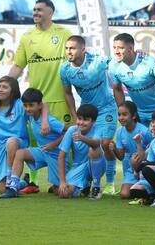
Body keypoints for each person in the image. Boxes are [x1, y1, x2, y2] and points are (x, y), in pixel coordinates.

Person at [59, 35, 121, 194]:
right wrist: (75, 116)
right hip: (87, 114)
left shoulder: (97, 61)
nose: (68, 51)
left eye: (72, 48)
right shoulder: (65, 69)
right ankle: (87, 180)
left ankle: (109, 182)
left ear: (83, 49)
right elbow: (67, 93)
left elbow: (117, 60)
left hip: (106, 108)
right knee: (85, 146)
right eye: (67, 48)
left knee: (105, 144)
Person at [9, 0, 73, 126]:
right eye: (34, 10)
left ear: (50, 13)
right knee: (38, 143)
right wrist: (5, 86)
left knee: (65, 141)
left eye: (39, 10)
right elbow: (17, 66)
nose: (35, 13)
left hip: (61, 101)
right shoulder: (27, 37)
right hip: (36, 103)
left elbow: (76, 59)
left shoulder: (64, 34)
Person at [5, 88, 66, 197]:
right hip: (42, 151)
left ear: (39, 105)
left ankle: (51, 185)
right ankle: (13, 186)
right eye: (26, 105)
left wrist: (55, 143)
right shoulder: (31, 116)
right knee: (20, 153)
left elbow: (68, 132)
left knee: (60, 192)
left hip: (56, 156)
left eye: (31, 105)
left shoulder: (51, 121)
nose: (28, 108)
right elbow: (45, 105)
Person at [0, 76, 29, 197]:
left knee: (11, 141)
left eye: (4, 87)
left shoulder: (20, 105)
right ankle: (22, 182)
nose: (0, 90)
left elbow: (39, 108)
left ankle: (10, 176)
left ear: (12, 91)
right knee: (2, 190)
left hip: (18, 143)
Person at [108, 33, 155, 125]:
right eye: (114, 47)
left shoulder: (150, 63)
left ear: (130, 48)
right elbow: (117, 89)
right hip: (138, 114)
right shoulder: (114, 66)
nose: (116, 51)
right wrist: (122, 112)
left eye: (121, 48)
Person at [57, 103, 105, 200]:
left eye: (86, 120)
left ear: (94, 121)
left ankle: (96, 188)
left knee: (93, 150)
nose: (81, 122)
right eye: (79, 118)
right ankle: (85, 186)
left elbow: (96, 144)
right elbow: (61, 156)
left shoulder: (98, 129)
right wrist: (62, 181)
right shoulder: (72, 130)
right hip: (77, 167)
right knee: (64, 193)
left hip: (96, 165)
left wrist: (82, 138)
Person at [110, 101, 152, 200]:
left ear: (133, 116)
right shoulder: (120, 131)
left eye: (124, 114)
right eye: (119, 115)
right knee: (124, 194)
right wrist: (114, 149)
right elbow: (120, 157)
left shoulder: (144, 131)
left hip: (144, 166)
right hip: (130, 168)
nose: (121, 118)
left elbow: (153, 149)